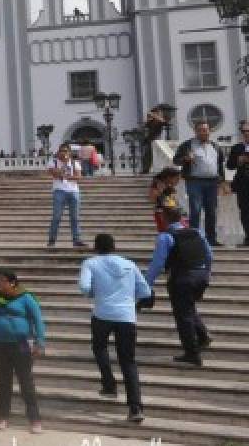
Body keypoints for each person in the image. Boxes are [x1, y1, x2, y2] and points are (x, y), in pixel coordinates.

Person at [78, 233, 152, 423]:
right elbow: (145, 291)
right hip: (127, 316)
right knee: (128, 361)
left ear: (96, 247)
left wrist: (96, 293)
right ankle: (135, 408)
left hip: (102, 314)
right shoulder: (129, 264)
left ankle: (109, 383)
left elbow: (84, 287)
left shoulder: (91, 263)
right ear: (114, 246)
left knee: (99, 347)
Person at [0, 269, 46, 433]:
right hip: (0, 344)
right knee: (3, 381)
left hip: (21, 344)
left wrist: (39, 341)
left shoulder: (25, 297)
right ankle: (2, 417)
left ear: (12, 282)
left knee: (26, 381)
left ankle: (34, 419)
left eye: (2, 280)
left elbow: (38, 319)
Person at [145, 207, 213, 367]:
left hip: (182, 278)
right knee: (188, 308)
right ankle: (203, 336)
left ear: (166, 219)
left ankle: (192, 353)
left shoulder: (165, 237)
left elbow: (158, 263)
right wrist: (207, 272)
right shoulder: (197, 232)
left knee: (183, 316)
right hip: (201, 274)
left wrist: (146, 283)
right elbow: (209, 254)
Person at [172, 120, 227, 247]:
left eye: (206, 130)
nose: (204, 132)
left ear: (210, 131)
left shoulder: (215, 146)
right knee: (195, 210)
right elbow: (176, 161)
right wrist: (186, 159)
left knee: (211, 211)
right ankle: (194, 239)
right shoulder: (187, 145)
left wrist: (223, 182)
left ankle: (211, 239)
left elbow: (220, 166)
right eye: (201, 130)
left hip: (212, 182)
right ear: (195, 131)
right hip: (195, 181)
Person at [46, 142, 84, 248]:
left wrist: (66, 175)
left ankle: (76, 240)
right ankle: (52, 240)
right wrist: (63, 167)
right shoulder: (53, 162)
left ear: (69, 152)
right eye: (61, 151)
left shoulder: (74, 163)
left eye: (65, 151)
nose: (63, 153)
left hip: (73, 191)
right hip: (59, 191)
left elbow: (79, 177)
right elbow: (53, 173)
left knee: (75, 218)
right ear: (58, 152)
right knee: (56, 217)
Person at [225, 120, 249, 247]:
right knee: (245, 211)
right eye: (244, 131)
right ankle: (248, 236)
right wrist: (238, 160)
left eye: (248, 131)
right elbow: (229, 166)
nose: (246, 134)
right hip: (243, 185)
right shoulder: (237, 148)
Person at [148, 167, 184, 234]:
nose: (178, 181)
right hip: (162, 213)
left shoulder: (170, 187)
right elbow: (152, 198)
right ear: (169, 177)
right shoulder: (159, 185)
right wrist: (160, 191)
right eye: (176, 179)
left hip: (172, 213)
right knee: (166, 232)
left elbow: (173, 200)